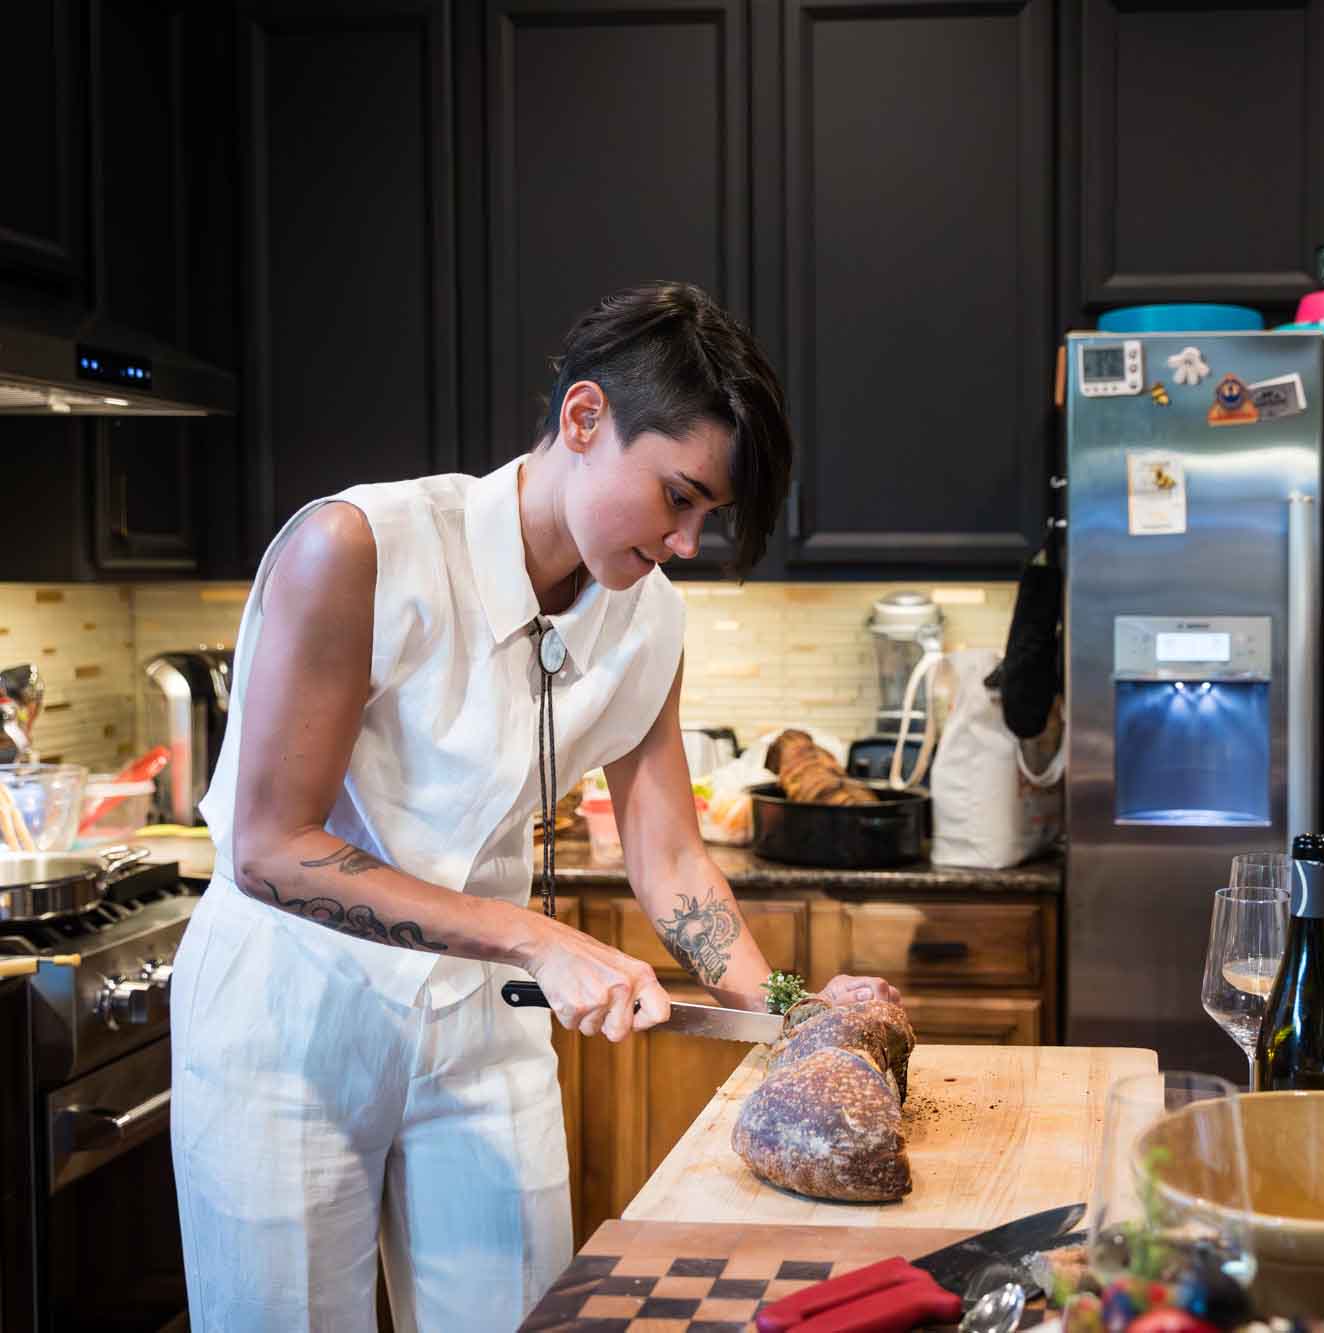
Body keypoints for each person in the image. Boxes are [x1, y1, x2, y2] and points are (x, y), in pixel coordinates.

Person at [170, 282, 899, 1329]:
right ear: (584, 418)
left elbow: (671, 861)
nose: (687, 541)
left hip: (480, 1020)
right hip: (287, 1022)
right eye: (677, 496)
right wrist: (536, 938)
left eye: (708, 514)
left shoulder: (648, 621)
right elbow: (270, 847)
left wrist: (786, 1010)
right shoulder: (358, 548)